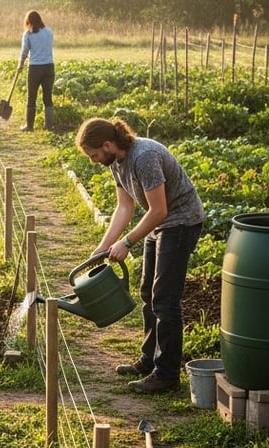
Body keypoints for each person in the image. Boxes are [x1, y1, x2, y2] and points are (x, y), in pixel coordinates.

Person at [75, 117, 204, 394]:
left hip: (181, 222)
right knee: (148, 292)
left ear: (108, 144)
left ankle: (167, 373)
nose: (93, 160)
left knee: (165, 298)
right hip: (160, 224)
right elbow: (125, 207)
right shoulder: (116, 162)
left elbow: (159, 210)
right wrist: (103, 247)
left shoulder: (144, 157)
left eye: (94, 154)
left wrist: (128, 242)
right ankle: (149, 361)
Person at [16, 10, 55, 132]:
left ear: (29, 21)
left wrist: (20, 65)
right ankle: (48, 126)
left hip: (35, 68)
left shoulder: (28, 34)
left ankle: (29, 126)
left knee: (31, 97)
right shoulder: (49, 32)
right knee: (47, 97)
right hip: (49, 66)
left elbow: (24, 52)